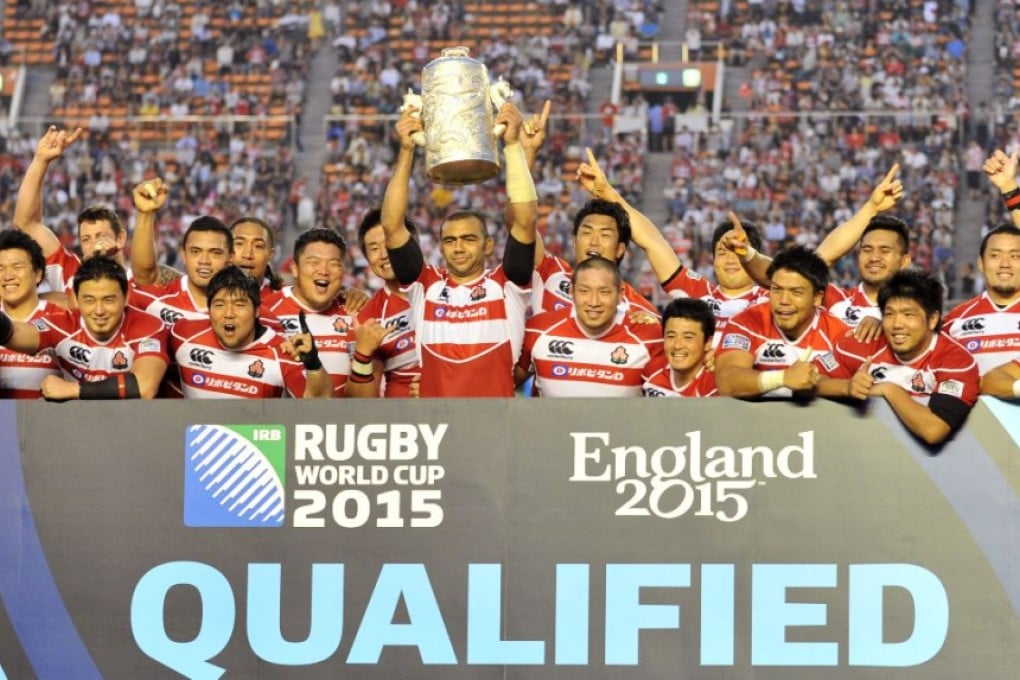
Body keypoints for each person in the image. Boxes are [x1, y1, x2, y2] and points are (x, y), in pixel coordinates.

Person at [381, 102, 538, 397]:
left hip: (495, 425)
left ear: (488, 246)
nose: (459, 248)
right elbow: (391, 226)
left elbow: (526, 222)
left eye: (469, 239)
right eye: (450, 241)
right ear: (441, 246)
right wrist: (406, 150)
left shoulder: (507, 285)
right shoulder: (424, 286)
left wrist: (514, 146)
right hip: (436, 427)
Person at [730, 165, 905, 331]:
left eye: (884, 250)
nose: (874, 257)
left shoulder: (922, 307)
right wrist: (871, 209)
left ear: (905, 261)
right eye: (866, 250)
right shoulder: (834, 300)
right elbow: (795, 271)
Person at [816, 271, 979, 445]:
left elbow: (933, 429)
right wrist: (846, 387)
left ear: (932, 319)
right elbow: (807, 379)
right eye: (889, 314)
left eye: (908, 315)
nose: (897, 325)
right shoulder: (863, 343)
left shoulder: (956, 361)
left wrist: (889, 390)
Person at [12, 127, 177, 293]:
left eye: (101, 236)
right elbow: (25, 223)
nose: (94, 245)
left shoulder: (143, 281)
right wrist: (41, 160)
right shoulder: (68, 272)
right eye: (86, 239)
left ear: (120, 238)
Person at [0, 257, 168, 400]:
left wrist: (72, 389)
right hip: (77, 424)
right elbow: (16, 333)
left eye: (108, 300)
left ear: (126, 298)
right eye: (89, 300)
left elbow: (144, 386)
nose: (99, 310)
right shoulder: (62, 325)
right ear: (76, 299)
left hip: (134, 426)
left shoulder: (149, 327)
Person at [169, 266, 332, 399]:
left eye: (239, 305)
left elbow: (320, 410)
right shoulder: (183, 334)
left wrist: (313, 365)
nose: (229, 313)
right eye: (219, 305)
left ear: (257, 311)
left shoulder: (283, 353)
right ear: (209, 309)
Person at [515, 256, 663, 397]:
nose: (593, 302)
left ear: (620, 294)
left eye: (604, 292)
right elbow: (503, 385)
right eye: (584, 291)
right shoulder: (537, 329)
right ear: (572, 292)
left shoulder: (649, 337)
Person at [715, 246, 849, 399]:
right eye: (777, 290)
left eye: (796, 292)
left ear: (817, 298)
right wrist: (783, 378)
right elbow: (727, 382)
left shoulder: (839, 334)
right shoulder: (746, 323)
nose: (784, 301)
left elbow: (852, 386)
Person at [261, 228, 355, 397]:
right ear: (295, 269)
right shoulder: (266, 311)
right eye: (314, 262)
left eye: (334, 264)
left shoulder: (355, 312)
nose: (324, 271)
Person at [350, 208, 419, 398]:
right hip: (408, 421)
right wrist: (362, 354)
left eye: (390, 242)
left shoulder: (449, 286)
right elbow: (362, 403)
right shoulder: (368, 318)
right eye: (373, 248)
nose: (383, 254)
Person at [131, 209, 234, 326]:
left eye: (215, 253)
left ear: (230, 257)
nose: (204, 261)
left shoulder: (244, 310)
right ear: (183, 255)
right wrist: (145, 214)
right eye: (195, 251)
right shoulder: (155, 297)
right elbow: (143, 273)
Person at [941, 224, 1020, 375]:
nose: (1005, 264)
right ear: (981, 264)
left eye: (1015, 256)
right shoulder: (953, 323)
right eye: (995, 256)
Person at [0, 230, 61, 397]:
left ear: (38, 274)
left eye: (17, 267)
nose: (8, 276)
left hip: (48, 421)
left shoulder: (60, 318)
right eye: (0, 269)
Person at [642, 298, 718, 397]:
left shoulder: (717, 387)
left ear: (708, 342)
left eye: (688, 337)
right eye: (671, 336)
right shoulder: (651, 372)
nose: (677, 345)